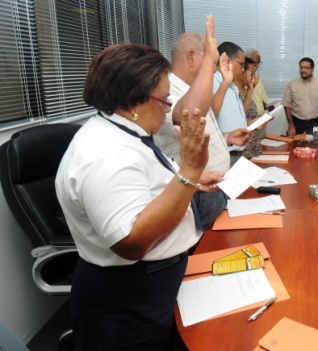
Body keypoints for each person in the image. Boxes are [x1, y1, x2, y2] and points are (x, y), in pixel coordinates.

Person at [54, 15, 225, 350]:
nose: (168, 111)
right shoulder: (105, 153)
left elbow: (149, 189)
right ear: (135, 102)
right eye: (165, 101)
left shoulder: (125, 132)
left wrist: (190, 180)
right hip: (128, 298)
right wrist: (188, 172)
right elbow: (131, 241)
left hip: (155, 282)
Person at [155, 30, 250, 231]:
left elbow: (203, 127)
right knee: (204, 252)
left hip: (215, 186)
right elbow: (186, 119)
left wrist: (227, 139)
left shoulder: (194, 90)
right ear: (190, 56)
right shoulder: (167, 89)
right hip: (197, 190)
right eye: (208, 58)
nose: (214, 68)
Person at [211, 42, 251, 166]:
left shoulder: (233, 86)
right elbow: (210, 115)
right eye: (241, 65)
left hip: (237, 151)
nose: (243, 70)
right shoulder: (212, 82)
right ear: (227, 60)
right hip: (223, 152)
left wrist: (250, 124)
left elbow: (235, 117)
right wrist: (225, 83)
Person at [282, 57, 318, 137]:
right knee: (295, 147)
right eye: (301, 67)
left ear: (312, 69)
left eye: (307, 68)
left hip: (316, 123)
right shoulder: (292, 84)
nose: (303, 70)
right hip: (297, 123)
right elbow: (286, 105)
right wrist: (291, 124)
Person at [236, 61, 266, 158]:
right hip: (244, 145)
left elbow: (250, 113)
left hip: (253, 142)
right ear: (242, 72)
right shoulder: (234, 92)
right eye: (251, 74)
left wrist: (260, 118)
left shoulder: (246, 89)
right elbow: (239, 118)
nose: (253, 78)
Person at [244, 48, 274, 115]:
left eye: (258, 63)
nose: (257, 66)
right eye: (255, 62)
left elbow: (260, 99)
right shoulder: (241, 79)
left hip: (261, 119)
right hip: (249, 120)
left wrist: (266, 106)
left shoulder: (257, 78)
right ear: (246, 61)